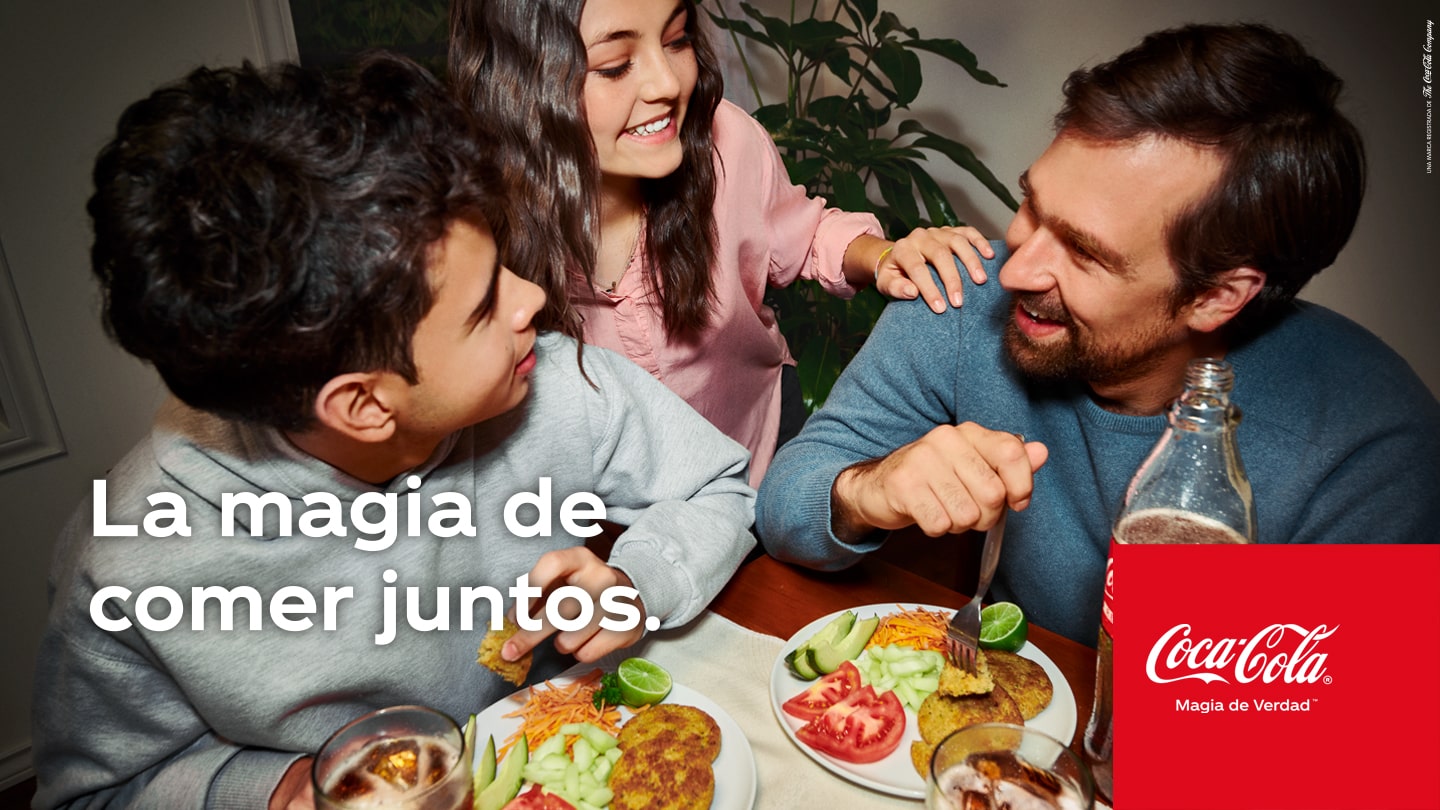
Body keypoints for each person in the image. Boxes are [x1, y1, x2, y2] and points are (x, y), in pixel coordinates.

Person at [31, 54, 755, 809]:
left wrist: (637, 583)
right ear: (366, 406)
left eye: (503, 260)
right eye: (481, 308)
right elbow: (94, 796)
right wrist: (277, 790)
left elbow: (716, 483)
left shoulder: (558, 384)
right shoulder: (126, 567)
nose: (534, 296)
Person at [756, 22, 1440, 645]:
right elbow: (786, 506)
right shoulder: (963, 294)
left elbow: (1349, 747)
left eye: (1085, 253)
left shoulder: (1374, 450)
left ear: (1215, 296)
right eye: (1031, 203)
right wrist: (866, 490)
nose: (1017, 268)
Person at [448, 0, 996, 488]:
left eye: (677, 38)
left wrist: (882, 258)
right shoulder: (473, 223)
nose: (666, 82)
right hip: (608, 511)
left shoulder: (727, 142)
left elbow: (802, 235)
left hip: (761, 451)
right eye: (615, 66)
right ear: (520, 88)